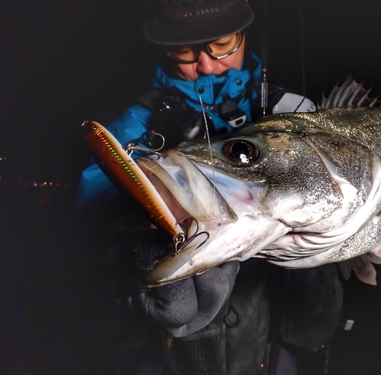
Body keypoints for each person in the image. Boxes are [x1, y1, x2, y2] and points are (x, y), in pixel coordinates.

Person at [77, 1, 343, 374]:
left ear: (244, 35)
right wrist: (143, 241)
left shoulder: (294, 111)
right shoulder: (136, 125)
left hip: (278, 332)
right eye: (183, 51)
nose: (205, 64)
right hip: (187, 352)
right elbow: (95, 206)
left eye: (221, 44)